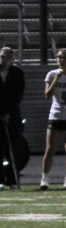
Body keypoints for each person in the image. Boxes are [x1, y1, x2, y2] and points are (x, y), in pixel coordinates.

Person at [0, 46, 24, 189]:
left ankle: (12, 179)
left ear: (12, 59)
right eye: (1, 57)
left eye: (7, 57)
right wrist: (0, 113)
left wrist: (8, 113)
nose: (4, 60)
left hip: (12, 115)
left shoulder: (17, 73)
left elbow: (18, 95)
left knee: (12, 149)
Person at [40, 49, 66, 190]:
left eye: (64, 58)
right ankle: (45, 178)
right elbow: (47, 95)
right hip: (56, 115)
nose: (62, 60)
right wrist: (56, 79)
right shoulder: (51, 74)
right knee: (50, 148)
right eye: (59, 57)